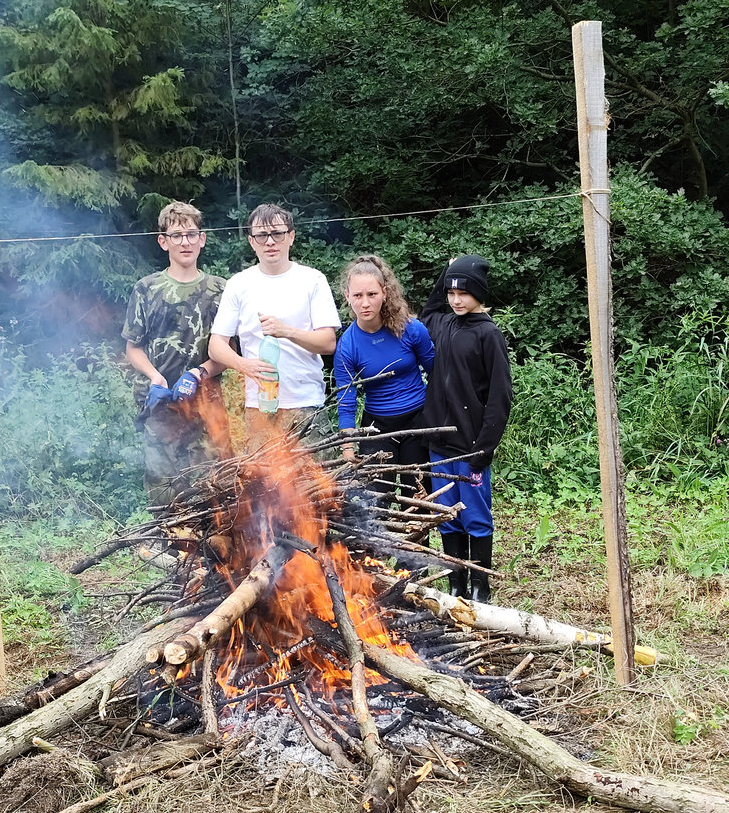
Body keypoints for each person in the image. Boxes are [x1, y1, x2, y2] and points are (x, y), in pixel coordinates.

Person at [419, 254, 513, 603]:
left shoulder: (489, 334)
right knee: (447, 516)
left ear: (479, 294)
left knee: (475, 516)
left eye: (463, 293)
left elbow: (500, 396)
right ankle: (456, 583)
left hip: (471, 448)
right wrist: (447, 270)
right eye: (451, 292)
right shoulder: (443, 324)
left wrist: (484, 448)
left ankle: (480, 587)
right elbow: (428, 311)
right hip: (439, 446)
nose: (455, 300)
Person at [208, 204, 340, 441]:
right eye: (261, 235)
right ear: (252, 242)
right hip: (259, 406)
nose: (270, 242)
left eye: (277, 233)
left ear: (291, 237)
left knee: (314, 468)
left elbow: (328, 343)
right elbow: (216, 345)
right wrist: (243, 365)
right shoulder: (239, 284)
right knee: (261, 468)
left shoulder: (312, 280)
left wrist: (286, 331)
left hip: (306, 404)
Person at [122, 201, 231, 483]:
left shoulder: (221, 290)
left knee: (215, 490)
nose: (185, 242)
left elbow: (229, 353)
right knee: (164, 494)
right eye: (176, 235)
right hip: (160, 409)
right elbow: (133, 348)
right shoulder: (146, 289)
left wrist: (198, 374)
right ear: (163, 242)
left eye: (191, 234)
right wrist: (154, 377)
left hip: (206, 411)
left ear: (202, 239)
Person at [333, 255, 434, 503]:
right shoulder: (347, 345)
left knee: (418, 499)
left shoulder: (410, 329)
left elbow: (437, 372)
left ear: (385, 293)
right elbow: (346, 401)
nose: (365, 303)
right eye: (358, 296)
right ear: (347, 296)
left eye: (372, 294)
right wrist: (348, 448)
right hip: (376, 429)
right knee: (378, 502)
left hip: (417, 423)